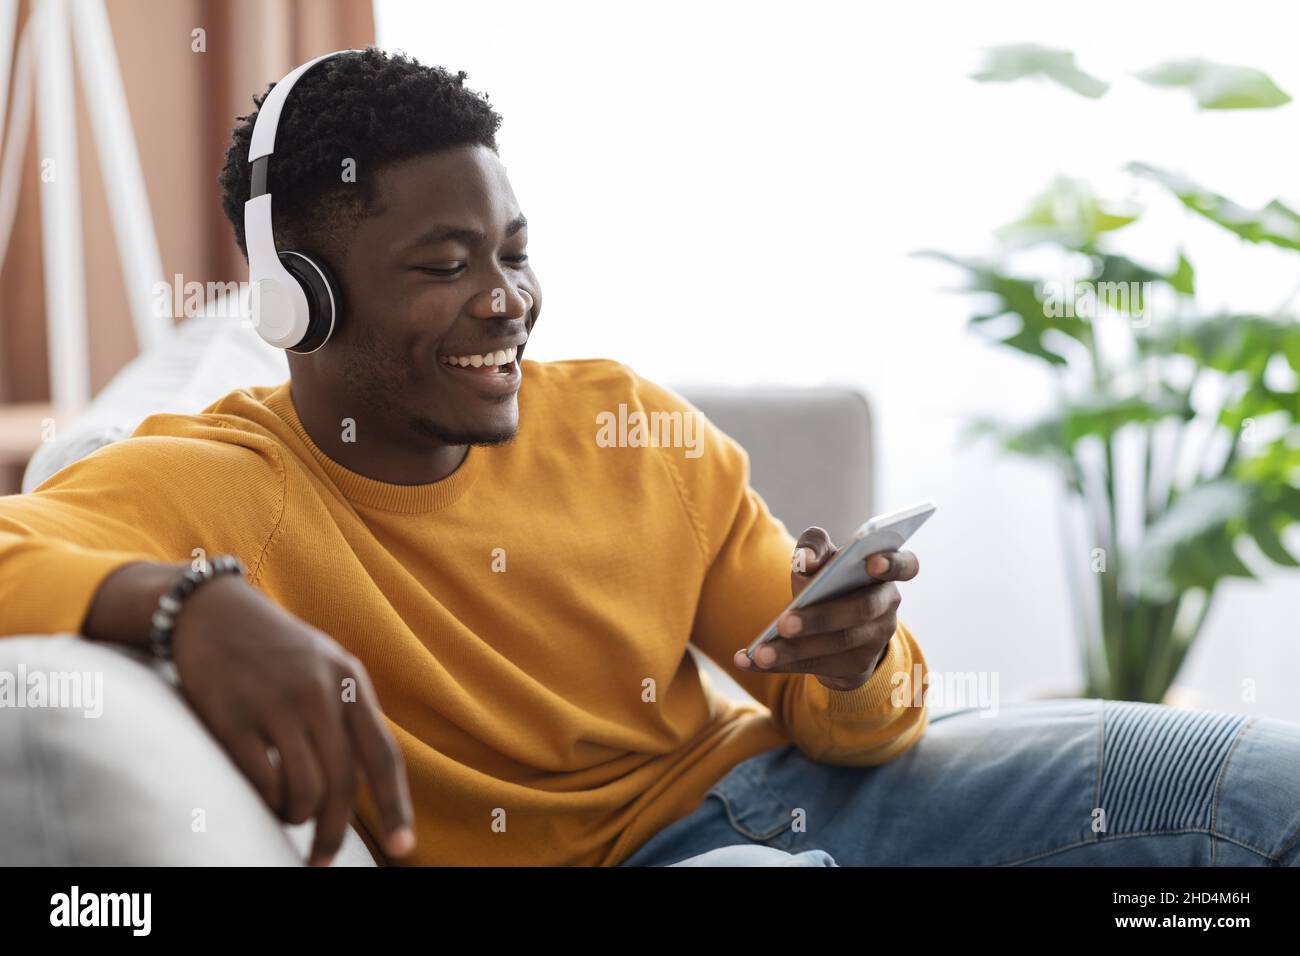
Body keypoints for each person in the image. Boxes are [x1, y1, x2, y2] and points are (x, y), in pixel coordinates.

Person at [2, 48, 1297, 868]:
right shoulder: (221, 481)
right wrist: (189, 602)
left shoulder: (629, 420)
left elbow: (849, 725)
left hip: (798, 796)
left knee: (1261, 797)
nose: (508, 299)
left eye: (514, 251)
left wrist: (852, 658)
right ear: (301, 301)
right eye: (447, 267)